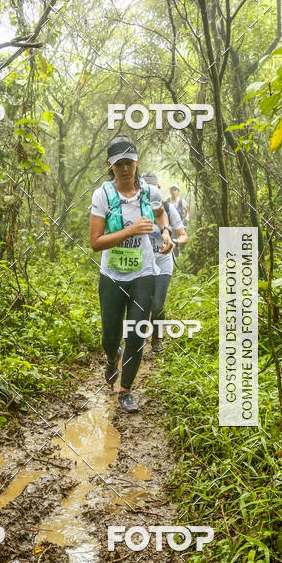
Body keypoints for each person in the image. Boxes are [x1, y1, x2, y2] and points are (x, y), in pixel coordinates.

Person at [90, 136, 173, 413]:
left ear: (137, 162)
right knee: (111, 337)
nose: (125, 168)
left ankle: (125, 391)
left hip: (143, 273)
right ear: (111, 166)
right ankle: (113, 357)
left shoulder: (149, 192)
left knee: (137, 332)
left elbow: (161, 214)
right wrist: (129, 231)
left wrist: (166, 232)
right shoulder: (103, 195)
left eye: (129, 162)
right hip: (112, 275)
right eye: (119, 163)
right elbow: (95, 242)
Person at [141, 172, 188, 353]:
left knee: (158, 304)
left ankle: (157, 338)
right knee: (142, 304)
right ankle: (135, 340)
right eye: (147, 188)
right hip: (141, 263)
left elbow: (183, 235)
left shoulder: (168, 208)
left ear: (158, 189)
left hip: (163, 261)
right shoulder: (134, 207)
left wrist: (174, 242)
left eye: (154, 187)